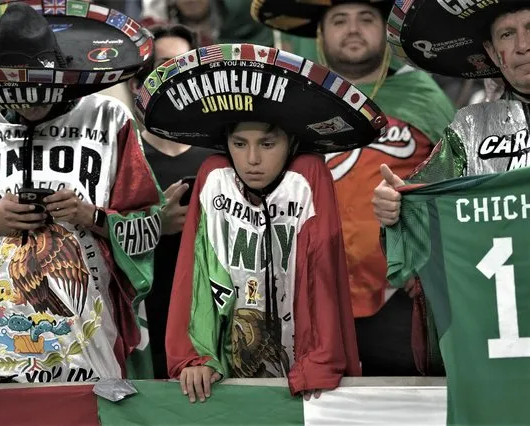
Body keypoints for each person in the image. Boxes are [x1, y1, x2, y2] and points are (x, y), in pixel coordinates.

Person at [0, 3, 163, 384]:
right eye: (17, 92)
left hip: (91, 351)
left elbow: (148, 228)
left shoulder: (110, 118)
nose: (30, 102)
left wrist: (90, 217)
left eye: (39, 89)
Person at [135, 42, 388, 403]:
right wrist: (196, 355)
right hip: (225, 367)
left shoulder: (309, 174)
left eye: (267, 144)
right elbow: (196, 273)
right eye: (239, 144)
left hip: (300, 366)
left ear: (292, 142)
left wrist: (317, 361)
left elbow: (320, 276)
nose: (252, 159)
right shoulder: (213, 174)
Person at [371, 1, 530, 424]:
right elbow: (420, 209)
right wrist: (395, 208)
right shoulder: (468, 128)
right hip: (500, 344)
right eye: (507, 35)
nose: (523, 45)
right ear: (491, 53)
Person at [252, 0, 455, 376]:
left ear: (386, 29)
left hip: (403, 295)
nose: (353, 29)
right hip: (307, 296)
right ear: (320, 34)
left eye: (366, 19)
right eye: (339, 20)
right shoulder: (292, 102)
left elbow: (456, 186)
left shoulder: (422, 96)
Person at [128, 22, 216, 379]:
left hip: (209, 326)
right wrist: (154, 226)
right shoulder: (121, 157)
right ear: (137, 84)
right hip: (141, 326)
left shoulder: (224, 154)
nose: (175, 78)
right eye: (164, 67)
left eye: (184, 67)